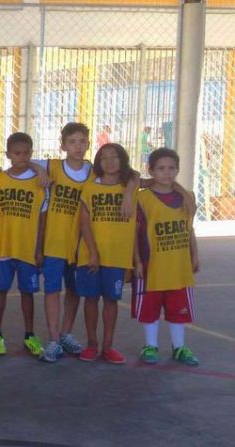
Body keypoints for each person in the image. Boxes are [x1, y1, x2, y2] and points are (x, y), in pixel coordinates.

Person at [132, 148, 200, 367]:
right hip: (152, 265)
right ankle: (150, 345)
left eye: (172, 168)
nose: (167, 173)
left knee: (178, 309)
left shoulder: (186, 197)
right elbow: (134, 232)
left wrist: (194, 254)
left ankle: (179, 346)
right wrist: (137, 260)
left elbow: (190, 229)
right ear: (150, 170)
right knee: (150, 309)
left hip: (178, 265)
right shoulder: (142, 198)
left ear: (178, 170)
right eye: (161, 168)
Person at [75, 143, 138, 364]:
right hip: (91, 256)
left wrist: (129, 192)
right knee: (91, 300)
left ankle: (108, 346)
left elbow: (140, 177)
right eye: (104, 158)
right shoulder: (91, 187)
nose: (110, 162)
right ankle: (91, 344)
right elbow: (84, 225)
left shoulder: (130, 186)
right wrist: (93, 252)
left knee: (111, 301)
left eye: (114, 157)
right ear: (98, 163)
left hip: (117, 256)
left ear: (123, 160)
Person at [0, 132, 48, 356]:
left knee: (27, 293)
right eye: (17, 153)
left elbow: (42, 218)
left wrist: (39, 248)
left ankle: (29, 335)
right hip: (4, 248)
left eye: (26, 153)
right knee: (0, 291)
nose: (21, 157)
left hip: (27, 249)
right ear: (8, 154)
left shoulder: (39, 183)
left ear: (31, 154)